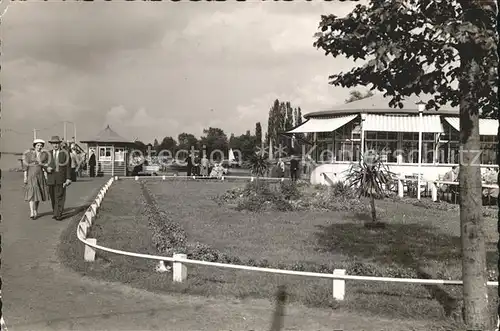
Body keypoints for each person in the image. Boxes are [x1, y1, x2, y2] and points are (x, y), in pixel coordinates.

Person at [46, 135, 72, 221]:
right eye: (53, 144)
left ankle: (59, 214)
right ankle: (55, 212)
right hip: (51, 179)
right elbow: (43, 164)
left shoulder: (65, 153)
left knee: (60, 196)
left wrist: (68, 178)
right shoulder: (48, 153)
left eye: (57, 143)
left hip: (61, 178)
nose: (55, 145)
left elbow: (68, 166)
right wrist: (46, 169)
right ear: (51, 144)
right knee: (53, 197)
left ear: (59, 144)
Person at [23, 139, 50, 219]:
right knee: (31, 193)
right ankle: (31, 211)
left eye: (41, 146)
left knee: (38, 194)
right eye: (38, 145)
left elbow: (45, 165)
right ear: (34, 146)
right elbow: (25, 167)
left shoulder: (44, 155)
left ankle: (35, 210)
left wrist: (46, 175)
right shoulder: (29, 154)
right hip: (31, 175)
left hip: (40, 175)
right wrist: (25, 177)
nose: (39, 147)